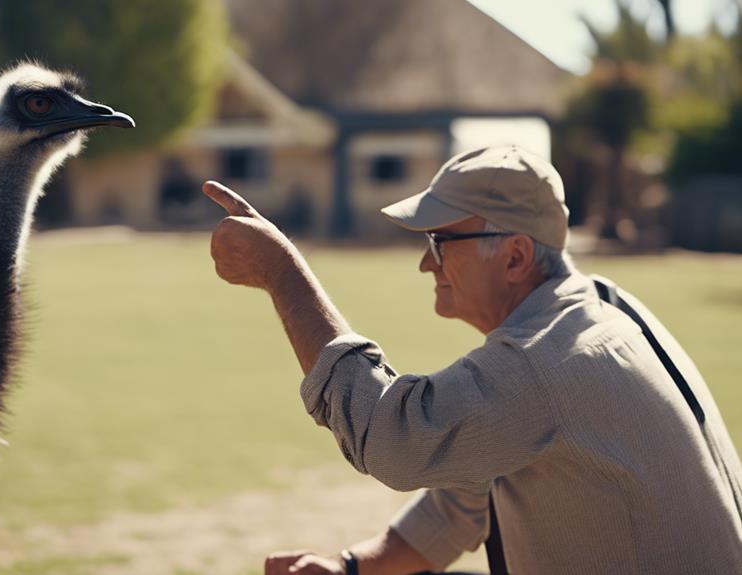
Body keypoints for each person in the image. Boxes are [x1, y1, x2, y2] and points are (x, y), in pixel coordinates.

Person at [203, 146, 742, 575]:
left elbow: (395, 439)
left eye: (440, 241)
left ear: (514, 257)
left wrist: (283, 273)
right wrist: (349, 568)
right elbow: (467, 495)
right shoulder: (597, 307)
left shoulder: (546, 359)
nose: (424, 262)